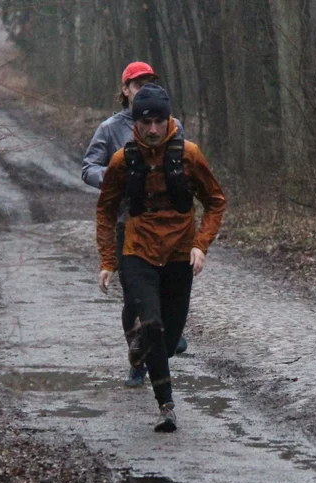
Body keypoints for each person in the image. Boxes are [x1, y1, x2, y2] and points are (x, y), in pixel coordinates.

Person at [96, 84, 226, 432]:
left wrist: (201, 243)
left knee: (167, 341)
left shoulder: (190, 154)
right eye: (146, 121)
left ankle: (145, 350)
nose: (153, 129)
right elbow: (106, 210)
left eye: (159, 121)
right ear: (134, 122)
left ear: (169, 120)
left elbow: (215, 201)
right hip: (137, 251)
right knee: (151, 324)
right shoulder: (123, 161)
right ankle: (166, 406)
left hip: (180, 254)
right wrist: (109, 260)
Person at [82, 61, 188, 388]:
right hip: (126, 221)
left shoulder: (174, 126)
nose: (142, 88)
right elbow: (88, 168)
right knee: (133, 299)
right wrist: (118, 178)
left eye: (148, 82)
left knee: (168, 288)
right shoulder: (110, 129)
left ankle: (168, 334)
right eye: (137, 84)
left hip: (166, 223)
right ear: (125, 90)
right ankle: (137, 357)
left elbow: (186, 165)